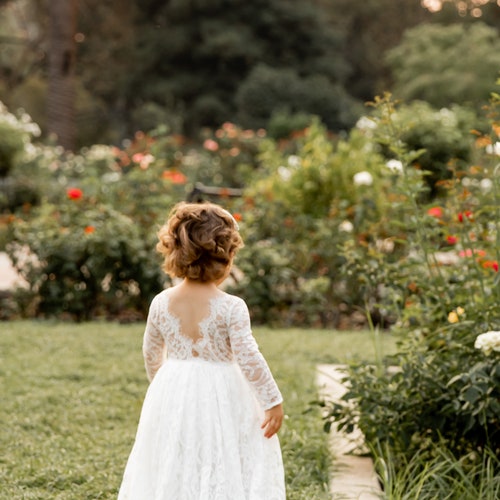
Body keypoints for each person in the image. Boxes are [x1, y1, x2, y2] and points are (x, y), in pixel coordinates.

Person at [118, 202, 285, 500]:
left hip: (172, 386)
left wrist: (163, 388)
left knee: (177, 455)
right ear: (226, 257)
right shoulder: (232, 307)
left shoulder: (160, 302)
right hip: (222, 390)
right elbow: (248, 357)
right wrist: (272, 401)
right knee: (220, 449)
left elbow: (151, 352)